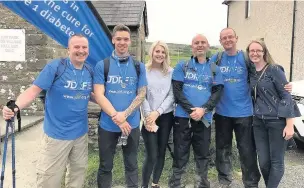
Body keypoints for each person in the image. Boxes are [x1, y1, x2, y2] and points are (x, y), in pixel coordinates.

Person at [2, 34, 93, 188]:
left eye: (84, 47)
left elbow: (89, 94)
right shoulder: (56, 67)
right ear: (68, 49)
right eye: (76, 47)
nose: (81, 50)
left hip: (80, 134)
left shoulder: (89, 70)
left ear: (88, 51)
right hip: (56, 136)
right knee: (49, 180)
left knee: (77, 176)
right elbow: (33, 91)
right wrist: (15, 107)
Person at [210, 28, 292, 188]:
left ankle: (251, 183)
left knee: (247, 151)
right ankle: (225, 181)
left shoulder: (245, 58)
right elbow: (210, 78)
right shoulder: (216, 59)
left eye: (230, 37)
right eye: (223, 38)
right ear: (220, 41)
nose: (227, 40)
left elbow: (264, 71)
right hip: (222, 113)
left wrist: (284, 84)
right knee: (222, 149)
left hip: (245, 113)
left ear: (236, 38)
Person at [93, 24, 147, 188]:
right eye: (118, 39)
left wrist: (125, 115)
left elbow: (142, 94)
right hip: (108, 125)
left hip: (131, 125)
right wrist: (118, 118)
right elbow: (99, 95)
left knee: (131, 165)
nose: (122, 42)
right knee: (105, 166)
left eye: (125, 39)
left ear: (130, 41)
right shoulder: (102, 65)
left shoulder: (139, 67)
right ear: (113, 40)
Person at [169, 34, 224, 188]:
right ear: (192, 46)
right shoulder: (182, 65)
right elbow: (177, 91)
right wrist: (192, 110)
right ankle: (176, 183)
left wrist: (203, 110)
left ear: (207, 46)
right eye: (196, 43)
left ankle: (202, 183)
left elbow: (217, 92)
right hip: (182, 116)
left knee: (203, 152)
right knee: (180, 150)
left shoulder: (214, 68)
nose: (200, 45)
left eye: (203, 42)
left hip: (204, 118)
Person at [247, 39, 301, 188]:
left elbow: (286, 96)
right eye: (252, 51)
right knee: (263, 162)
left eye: (259, 50)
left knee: (276, 161)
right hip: (258, 122)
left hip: (277, 122)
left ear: (264, 52)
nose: (255, 53)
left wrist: (290, 125)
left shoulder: (275, 69)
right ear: (248, 53)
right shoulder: (251, 72)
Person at [141, 41, 174, 188]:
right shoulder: (144, 70)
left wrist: (158, 112)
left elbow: (172, 96)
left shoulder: (170, 72)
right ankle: (144, 185)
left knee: (161, 152)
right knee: (152, 154)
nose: (160, 54)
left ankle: (155, 183)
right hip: (148, 118)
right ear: (152, 52)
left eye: (163, 52)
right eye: (157, 51)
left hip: (166, 117)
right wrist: (150, 116)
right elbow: (142, 94)